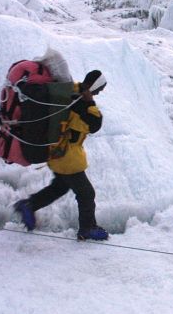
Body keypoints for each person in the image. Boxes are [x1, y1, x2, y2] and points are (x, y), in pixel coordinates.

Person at [14, 69, 109, 241]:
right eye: (99, 89)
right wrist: (89, 102)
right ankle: (87, 228)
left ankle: (29, 205)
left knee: (60, 187)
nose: (99, 92)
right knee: (87, 193)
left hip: (56, 154)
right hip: (68, 158)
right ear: (93, 86)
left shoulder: (70, 91)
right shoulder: (81, 102)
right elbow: (95, 124)